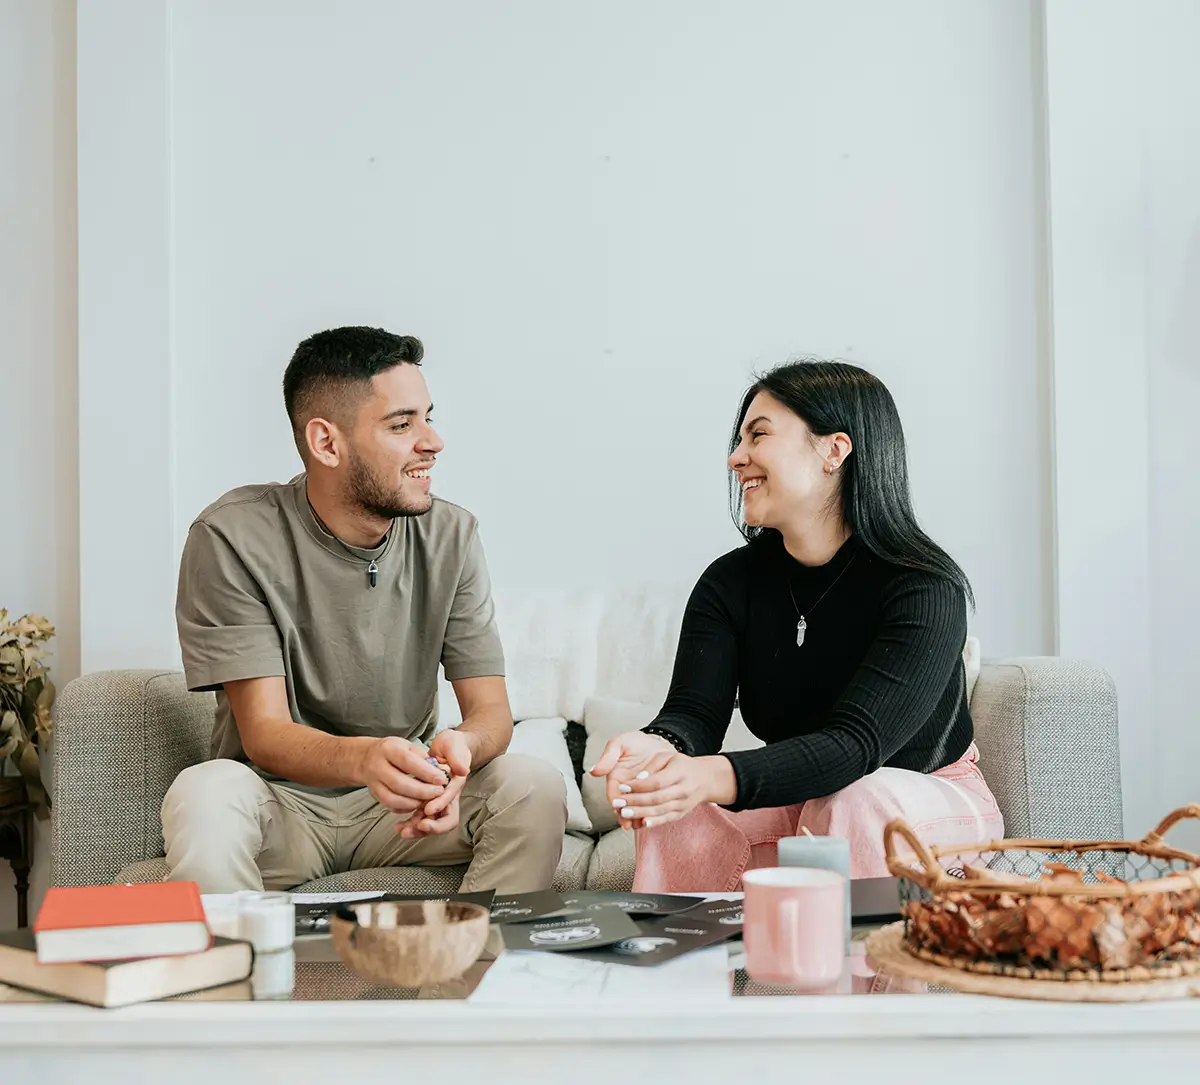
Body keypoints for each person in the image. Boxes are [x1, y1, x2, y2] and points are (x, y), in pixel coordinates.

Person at [162, 326, 566, 894]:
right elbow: (266, 733)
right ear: (327, 443)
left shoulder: (452, 535)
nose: (433, 441)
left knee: (532, 784)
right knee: (205, 791)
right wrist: (367, 759)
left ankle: (474, 976)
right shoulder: (231, 536)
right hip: (282, 808)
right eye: (402, 425)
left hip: (404, 811)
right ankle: (234, 978)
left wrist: (461, 752)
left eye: (428, 416)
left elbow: (490, 713)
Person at [590, 359, 1003, 891]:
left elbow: (857, 745)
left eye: (758, 435)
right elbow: (693, 716)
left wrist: (713, 776)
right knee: (678, 806)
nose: (736, 459)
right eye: (739, 440)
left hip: (925, 793)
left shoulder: (923, 586)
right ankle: (680, 970)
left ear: (834, 450)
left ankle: (849, 975)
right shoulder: (730, 582)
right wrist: (662, 749)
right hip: (809, 795)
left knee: (856, 799)